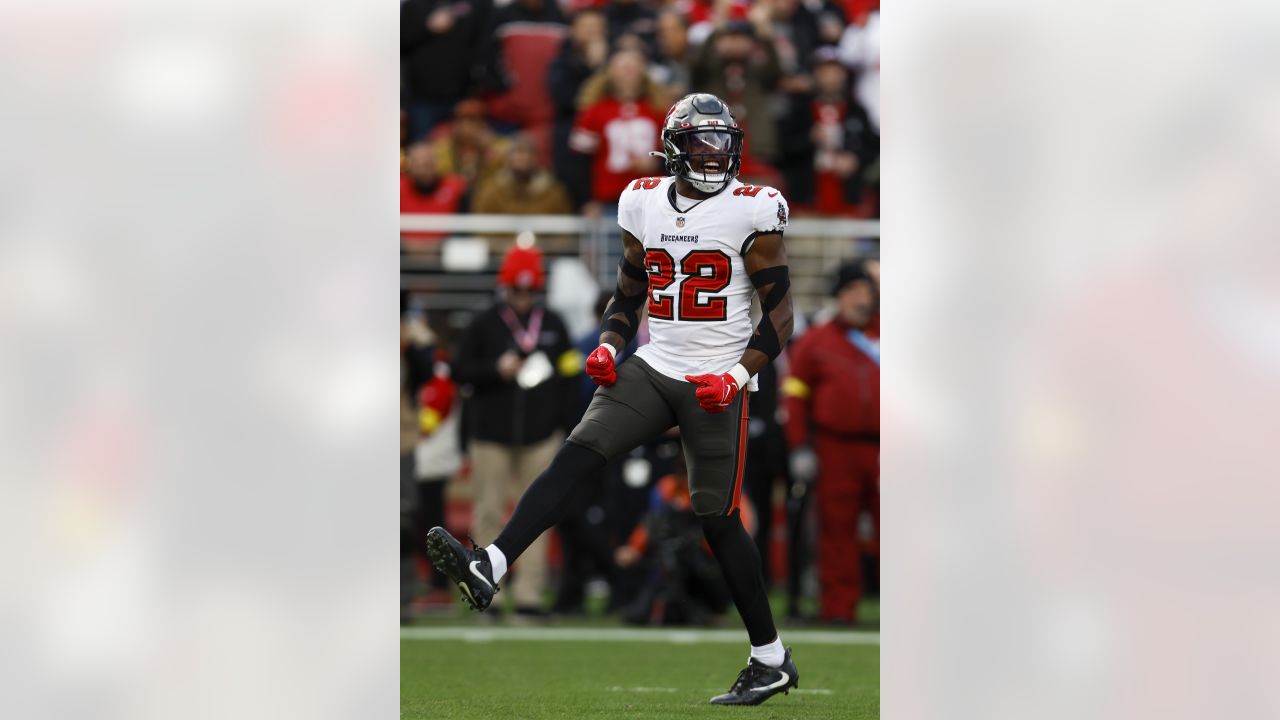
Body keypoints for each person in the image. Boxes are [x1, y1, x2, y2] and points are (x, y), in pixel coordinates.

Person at [428, 93, 801, 705]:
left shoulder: (753, 209)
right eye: (702, 141)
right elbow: (629, 295)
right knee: (579, 452)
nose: (716, 153)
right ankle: (491, 563)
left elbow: (780, 317)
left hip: (718, 378)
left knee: (717, 520)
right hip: (655, 365)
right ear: (676, 146)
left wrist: (737, 376)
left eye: (722, 140)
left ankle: (771, 657)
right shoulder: (642, 200)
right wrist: (608, 344)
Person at [449, 245, 580, 618]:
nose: (523, 298)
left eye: (529, 291)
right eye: (516, 290)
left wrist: (566, 425)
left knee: (537, 515)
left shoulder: (554, 324)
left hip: (541, 435)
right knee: (488, 512)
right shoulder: (483, 323)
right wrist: (495, 368)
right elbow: (459, 369)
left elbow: (570, 375)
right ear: (504, 288)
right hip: (490, 434)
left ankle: (530, 595)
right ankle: (483, 590)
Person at [782, 260, 879, 624]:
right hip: (835, 447)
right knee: (837, 530)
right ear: (838, 297)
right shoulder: (815, 343)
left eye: (865, 290)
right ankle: (838, 608)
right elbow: (794, 396)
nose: (860, 299)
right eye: (852, 291)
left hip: (886, 448)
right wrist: (800, 446)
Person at [472, 135, 574, 216]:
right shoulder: (491, 190)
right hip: (501, 242)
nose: (522, 157)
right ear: (507, 158)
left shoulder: (554, 193)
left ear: (536, 158)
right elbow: (482, 227)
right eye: (517, 152)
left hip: (543, 242)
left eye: (527, 152)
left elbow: (563, 233)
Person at [400, 142, 468, 246]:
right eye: (419, 164)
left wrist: (438, 246)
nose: (424, 170)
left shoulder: (456, 188)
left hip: (444, 254)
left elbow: (464, 229)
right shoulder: (396, 190)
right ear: (410, 165)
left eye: (428, 164)